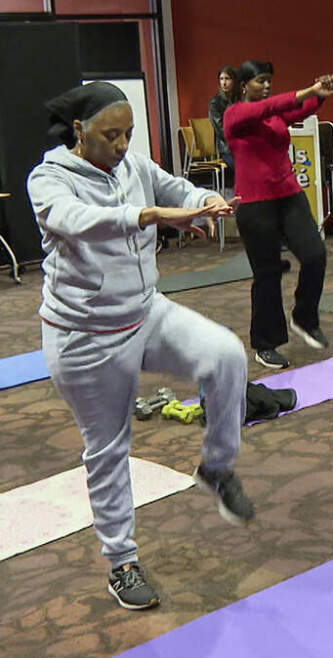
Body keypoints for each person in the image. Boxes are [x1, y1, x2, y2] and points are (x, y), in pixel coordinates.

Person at [28, 82, 252, 610]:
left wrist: (203, 202)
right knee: (109, 450)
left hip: (146, 312)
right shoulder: (49, 179)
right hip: (84, 338)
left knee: (226, 356)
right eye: (111, 135)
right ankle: (121, 562)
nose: (123, 145)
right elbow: (76, 222)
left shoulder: (132, 166)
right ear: (80, 131)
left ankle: (217, 468)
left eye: (128, 133)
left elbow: (173, 187)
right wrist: (149, 216)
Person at [224, 60, 333, 370]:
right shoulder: (235, 114)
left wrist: (321, 94)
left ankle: (304, 318)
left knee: (315, 255)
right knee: (267, 274)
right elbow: (272, 107)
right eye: (260, 81)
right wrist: (308, 90)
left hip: (289, 197)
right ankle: (265, 344)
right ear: (244, 85)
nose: (265, 86)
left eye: (268, 81)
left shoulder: (273, 113)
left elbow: (300, 110)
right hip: (254, 204)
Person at [208, 64, 238, 173]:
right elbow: (221, 130)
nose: (224, 83)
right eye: (221, 79)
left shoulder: (240, 99)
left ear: (234, 81)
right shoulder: (215, 103)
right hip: (226, 148)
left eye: (227, 79)